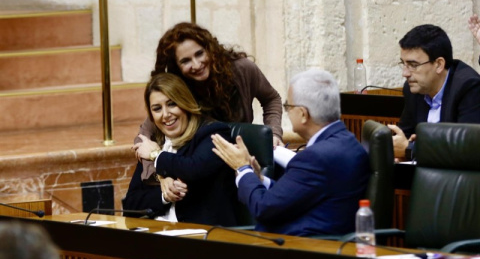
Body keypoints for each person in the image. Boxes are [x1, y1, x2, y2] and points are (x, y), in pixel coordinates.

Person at [211, 69, 371, 237]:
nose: (286, 111)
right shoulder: (348, 142)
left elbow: (263, 208)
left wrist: (242, 168)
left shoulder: (316, 157)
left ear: (303, 114)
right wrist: (259, 179)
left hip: (303, 250)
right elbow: (294, 194)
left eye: (288, 106)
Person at [136, 22, 283, 182]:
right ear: (176, 66)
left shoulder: (242, 69)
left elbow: (271, 99)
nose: (197, 64)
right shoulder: (179, 87)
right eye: (186, 61)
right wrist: (159, 176)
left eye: (199, 54)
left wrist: (274, 133)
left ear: (210, 49)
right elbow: (144, 136)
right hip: (201, 169)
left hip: (240, 161)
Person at [124, 73, 241, 226]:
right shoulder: (156, 142)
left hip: (203, 237)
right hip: (158, 234)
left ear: (185, 102)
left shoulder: (213, 132)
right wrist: (164, 195)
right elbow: (130, 205)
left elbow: (194, 168)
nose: (166, 115)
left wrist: (156, 155)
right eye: (157, 109)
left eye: (172, 104)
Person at [388, 24, 480, 161]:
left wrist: (411, 150)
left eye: (413, 65)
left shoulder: (468, 87)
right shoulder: (413, 89)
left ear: (439, 64)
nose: (405, 73)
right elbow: (404, 134)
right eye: (404, 64)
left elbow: (468, 150)